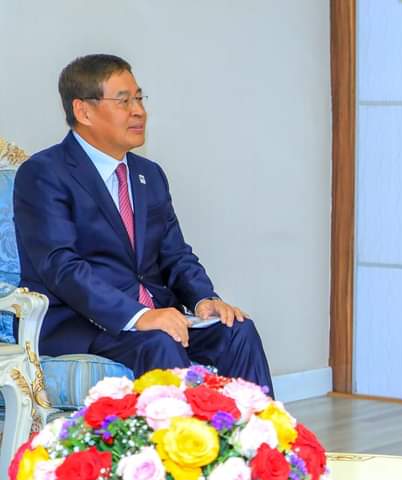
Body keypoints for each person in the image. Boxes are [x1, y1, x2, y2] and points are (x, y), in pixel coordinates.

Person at [13, 54, 273, 394]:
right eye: (124, 101)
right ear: (84, 111)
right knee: (160, 342)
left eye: (139, 98)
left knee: (237, 331)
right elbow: (61, 266)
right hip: (82, 323)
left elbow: (175, 254)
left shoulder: (148, 174)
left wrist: (203, 299)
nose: (139, 111)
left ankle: (256, 429)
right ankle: (183, 430)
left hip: (156, 317)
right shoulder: (45, 173)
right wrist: (138, 316)